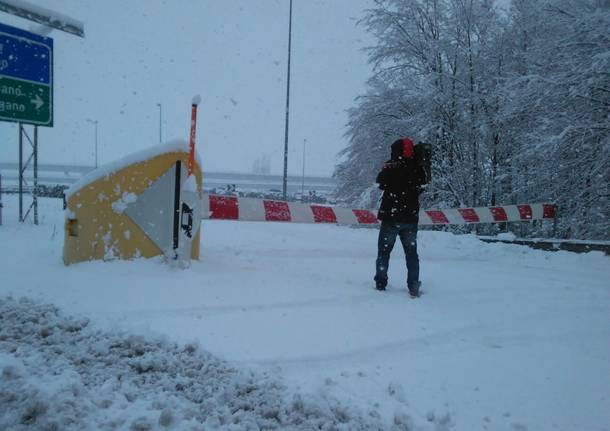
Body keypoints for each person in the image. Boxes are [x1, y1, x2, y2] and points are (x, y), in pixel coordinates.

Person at [374, 137, 427, 297]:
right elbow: (422, 185)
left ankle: (381, 283)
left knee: (384, 252)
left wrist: (388, 168)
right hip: (410, 219)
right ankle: (413, 286)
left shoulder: (391, 167)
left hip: (390, 217)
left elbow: (379, 183)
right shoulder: (417, 168)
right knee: (411, 253)